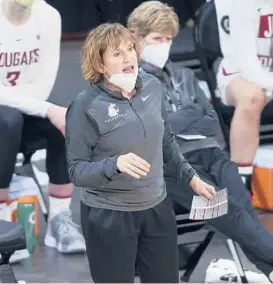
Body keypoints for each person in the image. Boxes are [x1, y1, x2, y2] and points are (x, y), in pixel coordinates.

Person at [127, 1, 273, 282]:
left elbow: (211, 121)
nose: (165, 45)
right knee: (232, 213)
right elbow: (156, 127)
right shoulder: (129, 81)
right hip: (172, 167)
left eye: (169, 39)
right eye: (157, 39)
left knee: (242, 211)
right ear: (135, 37)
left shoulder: (183, 74)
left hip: (211, 155)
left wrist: (179, 117)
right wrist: (190, 113)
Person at [65, 22, 217, 283]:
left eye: (130, 49)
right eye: (117, 54)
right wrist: (115, 164)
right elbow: (76, 171)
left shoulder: (152, 87)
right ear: (100, 66)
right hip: (109, 216)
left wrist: (190, 177)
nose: (128, 58)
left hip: (157, 207)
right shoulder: (85, 107)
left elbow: (165, 138)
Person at [0, 0, 85, 261]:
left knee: (67, 118)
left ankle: (60, 218)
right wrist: (41, 108)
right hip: (9, 119)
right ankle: (3, 218)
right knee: (9, 120)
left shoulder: (49, 16)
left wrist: (41, 108)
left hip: (24, 110)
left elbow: (43, 85)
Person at [214, 0, 273, 185]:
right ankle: (241, 185)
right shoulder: (242, 3)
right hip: (240, 72)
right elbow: (247, 65)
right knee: (252, 97)